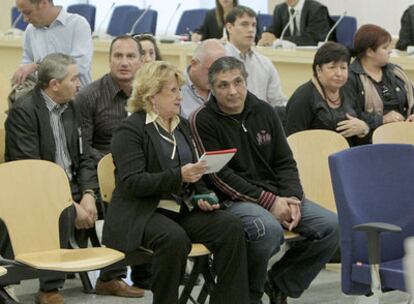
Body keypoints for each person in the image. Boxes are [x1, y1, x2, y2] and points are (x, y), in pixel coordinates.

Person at [190, 56, 339, 304]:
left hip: (278, 195)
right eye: (223, 85)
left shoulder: (264, 110)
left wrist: (291, 198)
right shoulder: (202, 119)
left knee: (332, 227)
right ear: (212, 89)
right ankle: (250, 295)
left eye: (238, 82)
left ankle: (280, 282)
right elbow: (219, 176)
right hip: (232, 200)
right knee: (267, 230)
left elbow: (285, 161)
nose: (233, 91)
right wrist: (270, 202)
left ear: (246, 81)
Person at [101, 61, 250, 304]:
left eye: (180, 90)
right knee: (173, 238)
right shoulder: (130, 130)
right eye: (173, 91)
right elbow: (132, 183)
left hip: (180, 208)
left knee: (231, 226)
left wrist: (202, 195)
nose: (180, 97)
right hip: (141, 212)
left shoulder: (182, 126)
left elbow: (195, 172)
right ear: (151, 96)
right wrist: (179, 176)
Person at [4, 53, 97, 304]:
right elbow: (31, 170)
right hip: (35, 188)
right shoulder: (24, 112)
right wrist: (69, 203)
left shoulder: (74, 107)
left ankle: (112, 277)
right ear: (54, 84)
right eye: (74, 78)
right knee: (60, 211)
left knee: (113, 200)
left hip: (72, 185)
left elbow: (86, 155)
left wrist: (88, 194)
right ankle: (50, 288)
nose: (80, 83)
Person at [74, 35, 151, 296]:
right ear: (108, 60)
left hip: (142, 172)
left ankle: (146, 272)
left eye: (131, 56)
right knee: (127, 195)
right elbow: (82, 150)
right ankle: (111, 276)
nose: (124, 62)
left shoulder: (149, 95)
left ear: (142, 61)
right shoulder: (89, 96)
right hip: (101, 173)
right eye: (118, 56)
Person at [285, 42, 370, 146]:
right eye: (332, 67)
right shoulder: (303, 96)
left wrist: (363, 129)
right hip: (314, 157)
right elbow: (293, 140)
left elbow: (360, 134)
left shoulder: (349, 91)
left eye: (343, 68)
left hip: (348, 157)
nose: (339, 73)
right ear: (318, 70)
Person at [345, 24, 414, 134]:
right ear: (369, 52)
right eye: (385, 47)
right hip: (372, 137)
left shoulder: (396, 72)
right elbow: (351, 115)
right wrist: (383, 119)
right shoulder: (350, 77)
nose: (390, 51)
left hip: (404, 132)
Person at [12, 0, 93, 87]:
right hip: (44, 97)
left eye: (28, 12)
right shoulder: (30, 30)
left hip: (78, 96)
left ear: (44, 3)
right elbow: (27, 63)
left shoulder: (78, 24)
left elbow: (80, 66)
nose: (25, 19)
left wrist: (38, 66)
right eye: (22, 13)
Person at [225, 6, 287, 107]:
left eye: (253, 25)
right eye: (244, 24)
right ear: (229, 28)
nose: (251, 30)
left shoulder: (265, 63)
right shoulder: (218, 59)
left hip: (261, 119)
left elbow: (277, 101)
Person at [181, 39, 226, 118]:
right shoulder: (175, 86)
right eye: (211, 71)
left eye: (221, 71)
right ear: (194, 63)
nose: (216, 77)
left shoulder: (226, 87)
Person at [258, 0, 333, 47]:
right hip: (289, 54)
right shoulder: (280, 9)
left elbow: (312, 40)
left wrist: (277, 41)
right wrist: (267, 36)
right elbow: (274, 30)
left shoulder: (317, 9)